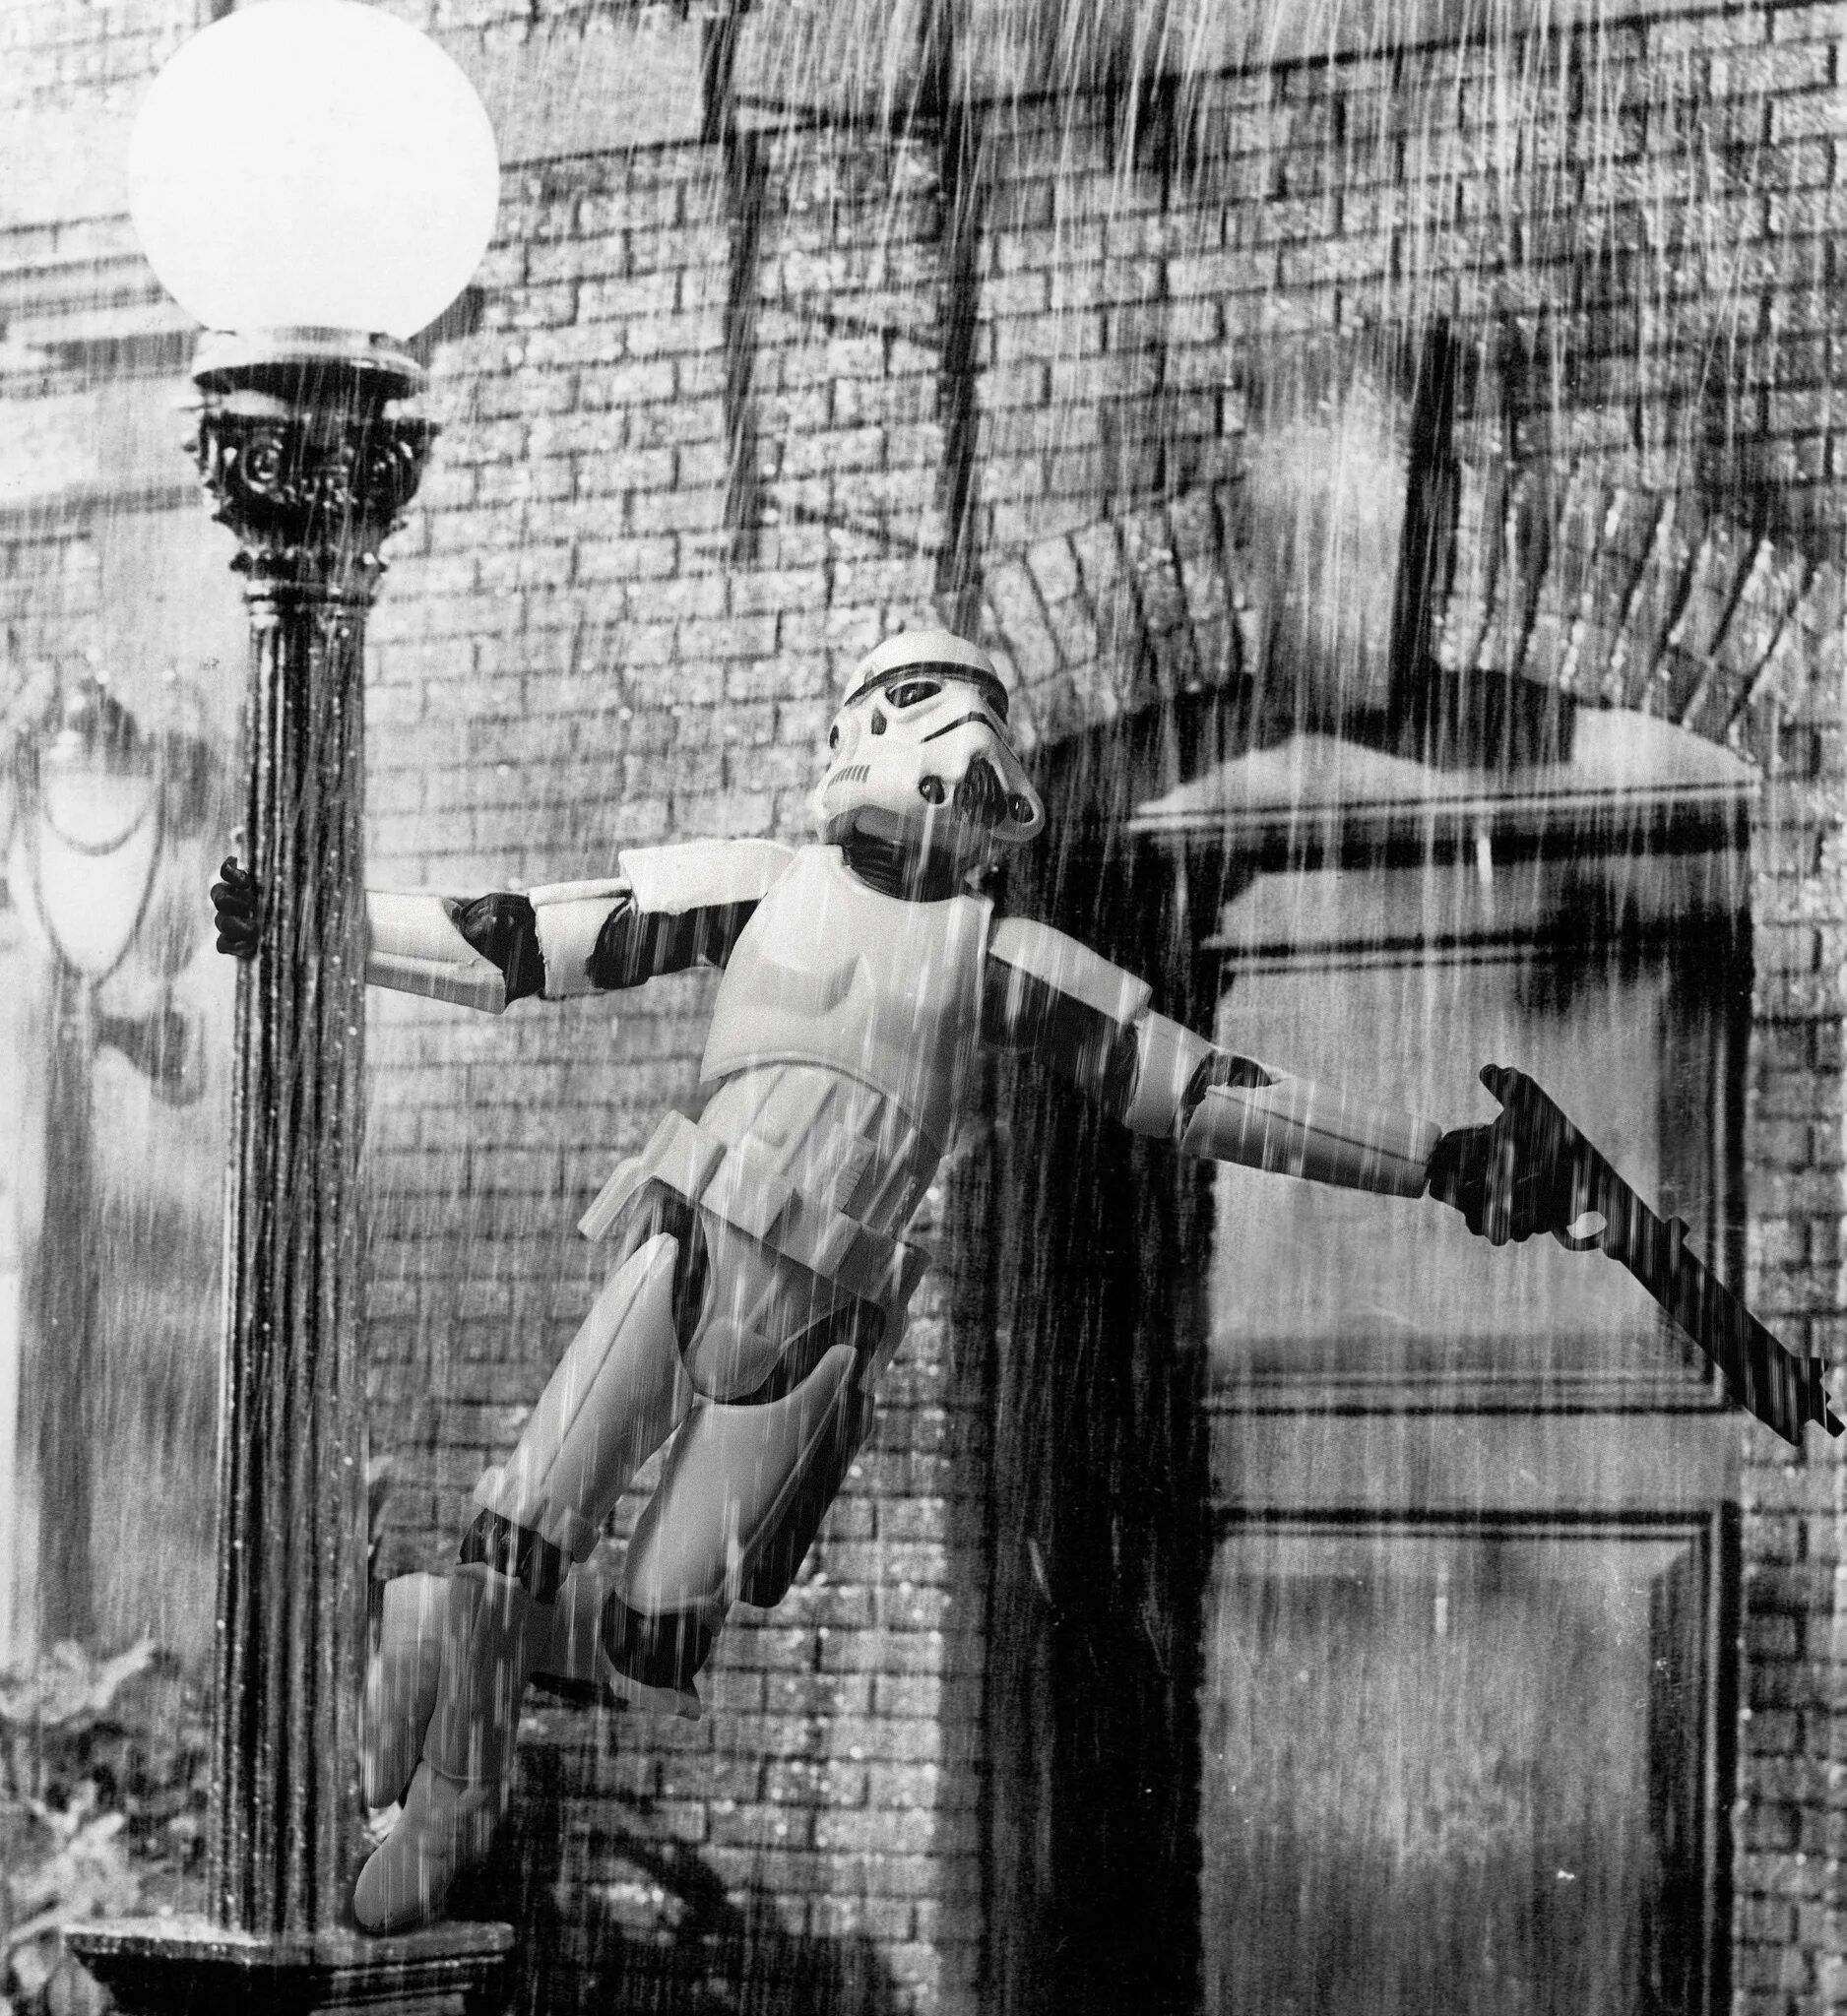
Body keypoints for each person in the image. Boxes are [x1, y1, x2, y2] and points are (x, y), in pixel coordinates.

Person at [213, 627, 1560, 1931]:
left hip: (819, 1323)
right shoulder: (755, 886)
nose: (954, 736)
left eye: (975, 711)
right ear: (857, 726)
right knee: (521, 1538)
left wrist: (1439, 1160)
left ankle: (435, 1627)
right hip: (689, 1250)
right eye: (922, 695)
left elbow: (1197, 1085)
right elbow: (517, 939)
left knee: (650, 1647)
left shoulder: (1000, 959)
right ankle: (448, 1799)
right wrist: (312, 921)